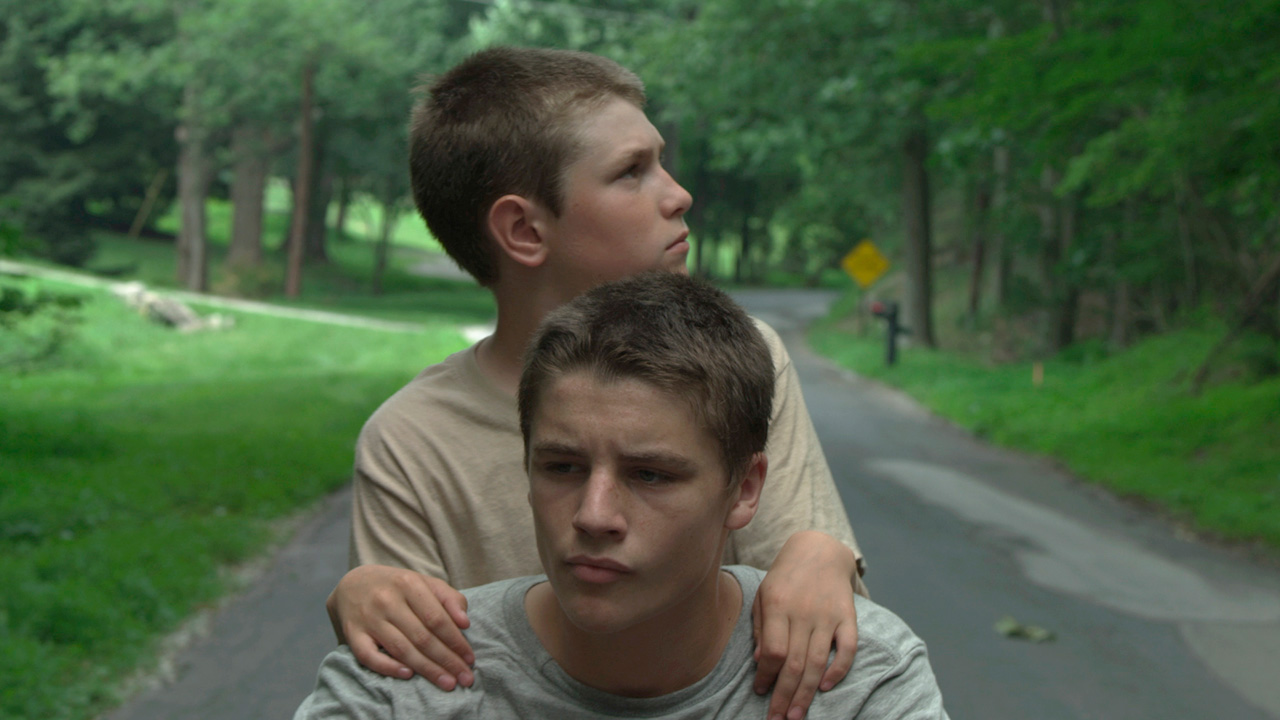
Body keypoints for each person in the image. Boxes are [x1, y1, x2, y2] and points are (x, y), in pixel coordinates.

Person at [328, 46, 867, 720]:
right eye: (631, 172)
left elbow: (826, 648)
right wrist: (371, 598)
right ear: (525, 230)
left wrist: (822, 555)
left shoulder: (741, 360)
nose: (679, 194)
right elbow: (405, 688)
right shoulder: (410, 440)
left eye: (659, 161)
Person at [297, 273, 946, 720]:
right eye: (562, 467)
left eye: (650, 475)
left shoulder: (853, 683)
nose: (594, 515)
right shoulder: (405, 681)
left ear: (745, 489)